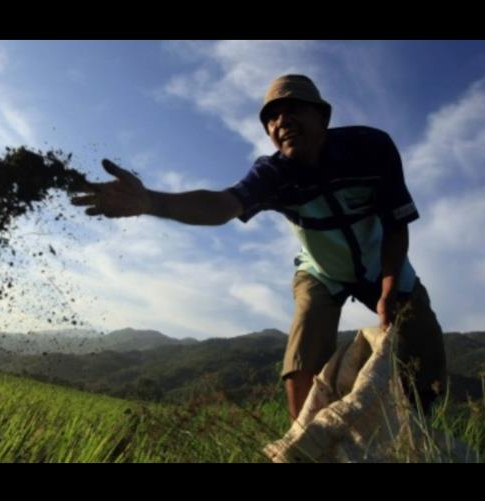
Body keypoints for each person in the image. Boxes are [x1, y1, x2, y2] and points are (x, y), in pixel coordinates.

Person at [70, 74, 446, 422]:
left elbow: (395, 224)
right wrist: (151, 201)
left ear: (322, 116)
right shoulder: (273, 173)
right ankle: (306, 445)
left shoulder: (370, 148)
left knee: (424, 357)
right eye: (272, 118)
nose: (282, 122)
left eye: (293, 109)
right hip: (322, 271)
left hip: (384, 263)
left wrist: (389, 289)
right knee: (304, 350)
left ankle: (418, 436)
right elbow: (222, 204)